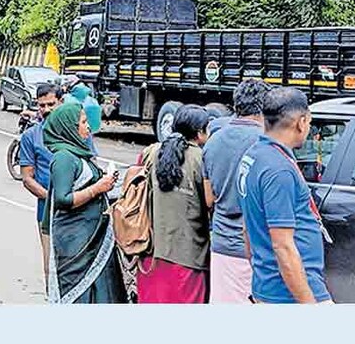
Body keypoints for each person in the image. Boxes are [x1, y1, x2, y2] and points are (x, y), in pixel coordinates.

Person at [237, 87, 332, 304]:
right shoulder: (278, 169)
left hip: (270, 285)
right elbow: (284, 246)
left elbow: (247, 227)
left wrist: (261, 271)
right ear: (301, 122)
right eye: (308, 122)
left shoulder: (253, 156)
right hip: (289, 294)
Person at [42, 103, 125, 304]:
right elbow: (63, 199)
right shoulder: (64, 158)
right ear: (69, 127)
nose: (88, 127)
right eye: (83, 122)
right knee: (81, 294)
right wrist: (97, 188)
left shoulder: (79, 155)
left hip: (94, 239)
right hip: (76, 244)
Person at [203, 79, 270, 304]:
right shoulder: (267, 143)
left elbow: (209, 199)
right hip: (258, 248)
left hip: (222, 245)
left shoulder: (213, 141)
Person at [136, 104, 211, 303]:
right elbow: (210, 203)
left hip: (150, 253)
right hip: (188, 257)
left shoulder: (150, 153)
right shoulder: (201, 159)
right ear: (199, 132)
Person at [17, 83, 62, 287]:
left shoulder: (78, 129)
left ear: (60, 102)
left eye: (51, 104)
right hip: (47, 210)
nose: (46, 110)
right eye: (41, 105)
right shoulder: (30, 137)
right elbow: (27, 178)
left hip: (78, 209)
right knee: (50, 263)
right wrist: (52, 198)